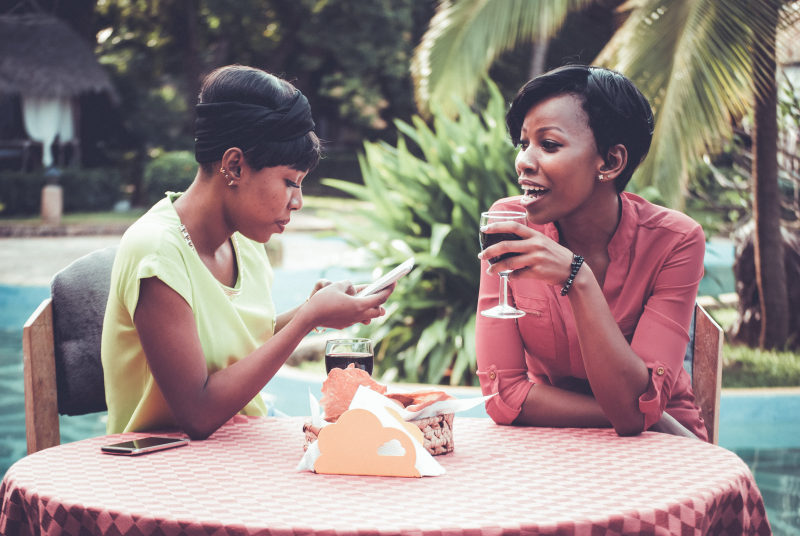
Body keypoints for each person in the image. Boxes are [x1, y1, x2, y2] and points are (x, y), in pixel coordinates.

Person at [101, 65, 392, 439]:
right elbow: (198, 413)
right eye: (290, 182)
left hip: (242, 447)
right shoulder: (157, 254)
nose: (298, 201)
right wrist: (306, 321)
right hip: (163, 470)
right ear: (234, 165)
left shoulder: (245, 243)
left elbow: (240, 347)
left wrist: (313, 312)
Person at [475, 64, 708, 441]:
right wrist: (634, 413)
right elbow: (503, 397)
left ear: (611, 162)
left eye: (548, 145)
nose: (524, 162)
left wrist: (578, 279)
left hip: (661, 447)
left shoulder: (674, 242)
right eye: (524, 144)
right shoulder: (510, 225)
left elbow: (636, 419)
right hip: (553, 441)